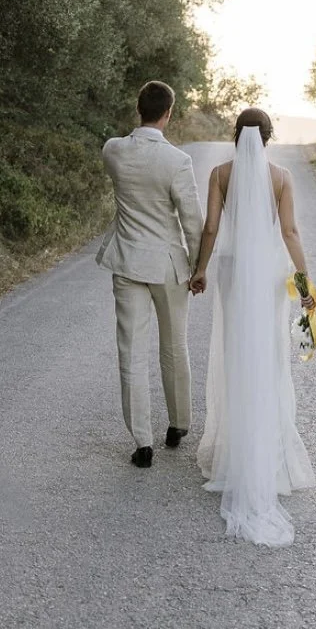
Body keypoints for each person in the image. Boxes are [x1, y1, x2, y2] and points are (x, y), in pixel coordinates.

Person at [190, 107, 316, 546]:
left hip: (232, 272)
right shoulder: (281, 177)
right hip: (266, 276)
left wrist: (200, 270)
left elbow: (211, 228)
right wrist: (305, 285)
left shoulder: (220, 175)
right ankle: (269, 456)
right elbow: (290, 232)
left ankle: (236, 453)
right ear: (267, 136)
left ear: (235, 135)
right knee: (266, 356)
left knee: (237, 355)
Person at [96, 80, 204, 468]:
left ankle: (142, 442)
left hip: (127, 261)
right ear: (168, 113)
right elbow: (192, 222)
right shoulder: (177, 161)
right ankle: (178, 424)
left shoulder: (113, 150)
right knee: (174, 345)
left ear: (138, 109)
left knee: (131, 350)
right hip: (168, 266)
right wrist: (198, 268)